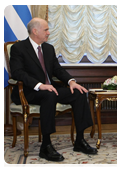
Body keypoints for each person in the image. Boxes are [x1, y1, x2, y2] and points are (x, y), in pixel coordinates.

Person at [10, 17, 98, 162]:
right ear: (35, 31)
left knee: (78, 92)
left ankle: (80, 141)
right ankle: (46, 146)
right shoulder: (18, 48)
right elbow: (18, 72)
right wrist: (40, 85)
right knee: (48, 95)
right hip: (29, 91)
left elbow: (57, 69)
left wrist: (71, 81)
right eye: (46, 30)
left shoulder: (48, 48)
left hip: (50, 90)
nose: (48, 33)